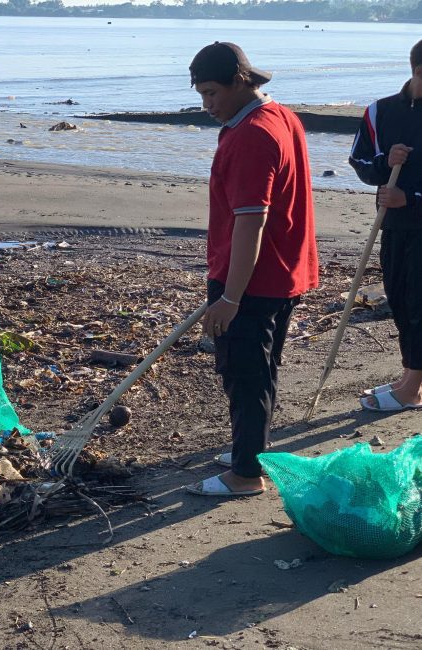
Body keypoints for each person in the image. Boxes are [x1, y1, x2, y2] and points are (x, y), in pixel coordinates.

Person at [185, 42, 319, 497]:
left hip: (253, 277)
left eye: (211, 93)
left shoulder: (252, 136)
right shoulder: (280, 114)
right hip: (284, 270)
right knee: (261, 368)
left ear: (240, 81)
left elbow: (251, 220)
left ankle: (246, 474)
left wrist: (229, 297)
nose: (207, 106)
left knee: (245, 373)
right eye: (201, 95)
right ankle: (253, 449)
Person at [350, 39, 422, 413]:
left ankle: (411, 388)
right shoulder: (380, 111)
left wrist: (410, 199)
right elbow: (359, 160)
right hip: (394, 226)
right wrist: (383, 166)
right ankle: (412, 374)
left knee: (419, 305)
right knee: (399, 296)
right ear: (418, 72)